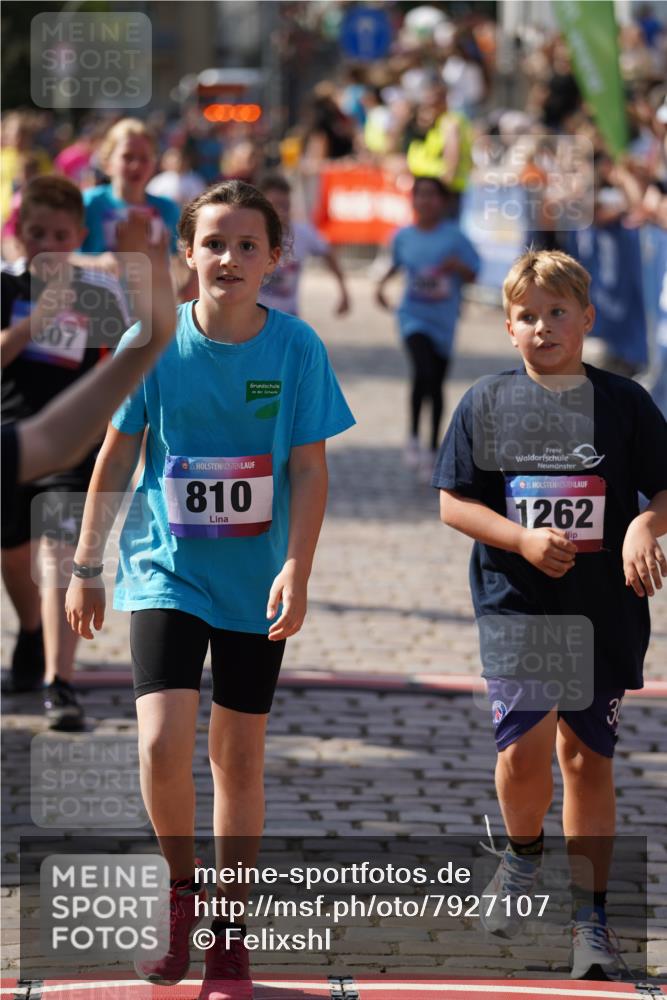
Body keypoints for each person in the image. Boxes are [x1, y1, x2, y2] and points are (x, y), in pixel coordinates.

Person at [64, 180, 354, 999]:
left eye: (247, 245)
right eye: (214, 243)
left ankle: (231, 930)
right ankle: (183, 895)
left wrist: (297, 567)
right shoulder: (151, 341)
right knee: (159, 744)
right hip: (167, 568)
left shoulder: (295, 349)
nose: (229, 258)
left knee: (236, 757)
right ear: (185, 254)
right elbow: (116, 457)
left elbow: (308, 467)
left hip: (255, 580)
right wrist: (88, 565)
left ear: (273, 259)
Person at [433, 249, 667, 980]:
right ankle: (523, 852)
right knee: (523, 755)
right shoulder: (485, 403)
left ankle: (588, 923)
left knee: (584, 758)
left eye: (557, 313)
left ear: (587, 319)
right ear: (507, 328)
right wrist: (521, 539)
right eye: (527, 317)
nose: (542, 327)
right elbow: (453, 502)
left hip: (602, 609)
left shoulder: (624, 404)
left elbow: (664, 493)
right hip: (519, 604)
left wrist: (642, 527)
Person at [0, 176, 131, 727]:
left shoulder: (97, 292)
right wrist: (35, 322)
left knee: (57, 550)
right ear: (18, 234)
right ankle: (31, 632)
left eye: (60, 233)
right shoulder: (6, 290)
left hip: (76, 445)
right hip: (13, 440)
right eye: (36, 233)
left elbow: (125, 364)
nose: (47, 243)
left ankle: (61, 682)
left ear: (79, 234)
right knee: (12, 555)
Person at [375, 176, 479, 482]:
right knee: (423, 371)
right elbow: (396, 265)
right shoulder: (403, 236)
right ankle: (412, 436)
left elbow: (474, 272)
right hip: (412, 316)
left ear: (444, 202)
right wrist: (382, 286)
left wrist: (457, 267)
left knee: (436, 382)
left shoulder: (456, 238)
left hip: (444, 320)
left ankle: (432, 447)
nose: (425, 201)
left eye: (432, 195)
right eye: (420, 195)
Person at [259, 174, 350, 319]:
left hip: (288, 317)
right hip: (255, 316)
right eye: (276, 205)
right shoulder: (251, 234)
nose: (281, 211)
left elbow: (329, 255)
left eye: (285, 205)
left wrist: (344, 292)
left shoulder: (303, 233)